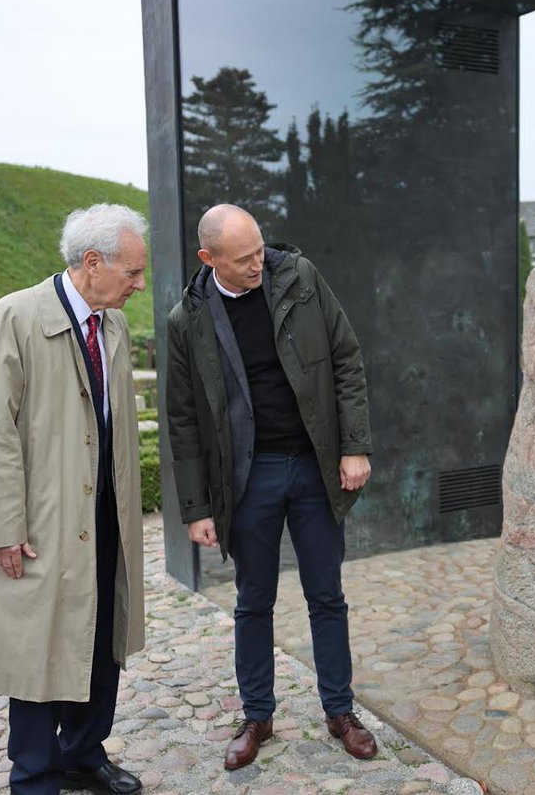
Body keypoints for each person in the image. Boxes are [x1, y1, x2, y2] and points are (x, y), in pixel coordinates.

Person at [0, 204, 148, 795]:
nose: (139, 284)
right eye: (132, 272)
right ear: (92, 262)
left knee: (102, 639)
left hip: (104, 513)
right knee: (37, 650)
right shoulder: (15, 316)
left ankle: (83, 754)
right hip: (41, 520)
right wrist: (0, 525)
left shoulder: (114, 325)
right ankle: (34, 776)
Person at [165, 204, 376, 769]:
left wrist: (355, 445)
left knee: (326, 595)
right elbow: (182, 419)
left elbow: (345, 358)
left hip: (312, 464)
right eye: (244, 258)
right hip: (247, 477)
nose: (259, 263)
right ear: (209, 260)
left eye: (260, 250)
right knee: (253, 601)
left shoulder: (299, 278)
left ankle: (340, 710)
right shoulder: (187, 320)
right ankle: (257, 716)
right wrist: (196, 506)